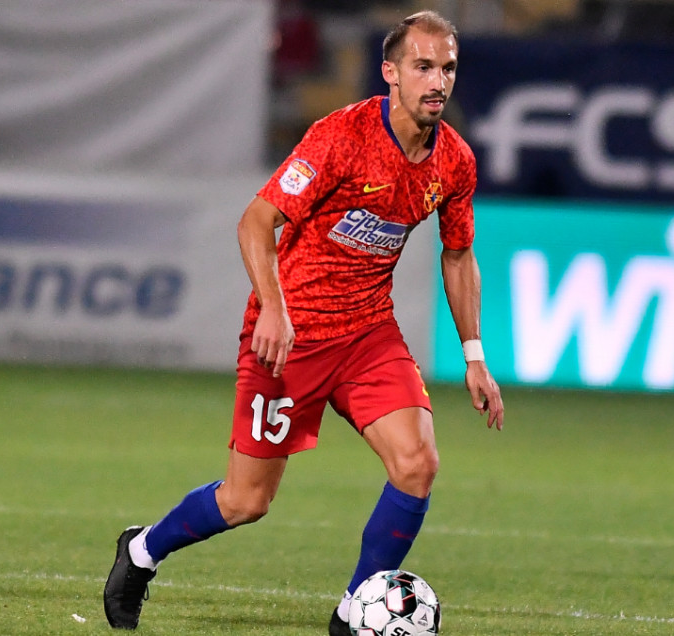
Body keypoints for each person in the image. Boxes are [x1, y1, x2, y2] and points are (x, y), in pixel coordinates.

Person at [103, 10, 504, 634]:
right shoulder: (340, 137)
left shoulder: (453, 162)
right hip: (289, 340)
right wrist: (273, 308)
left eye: (447, 68)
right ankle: (142, 550)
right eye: (423, 66)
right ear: (390, 72)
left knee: (417, 464)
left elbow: (457, 253)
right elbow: (256, 222)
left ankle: (353, 613)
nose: (437, 82)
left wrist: (474, 355)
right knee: (245, 501)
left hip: (370, 334)